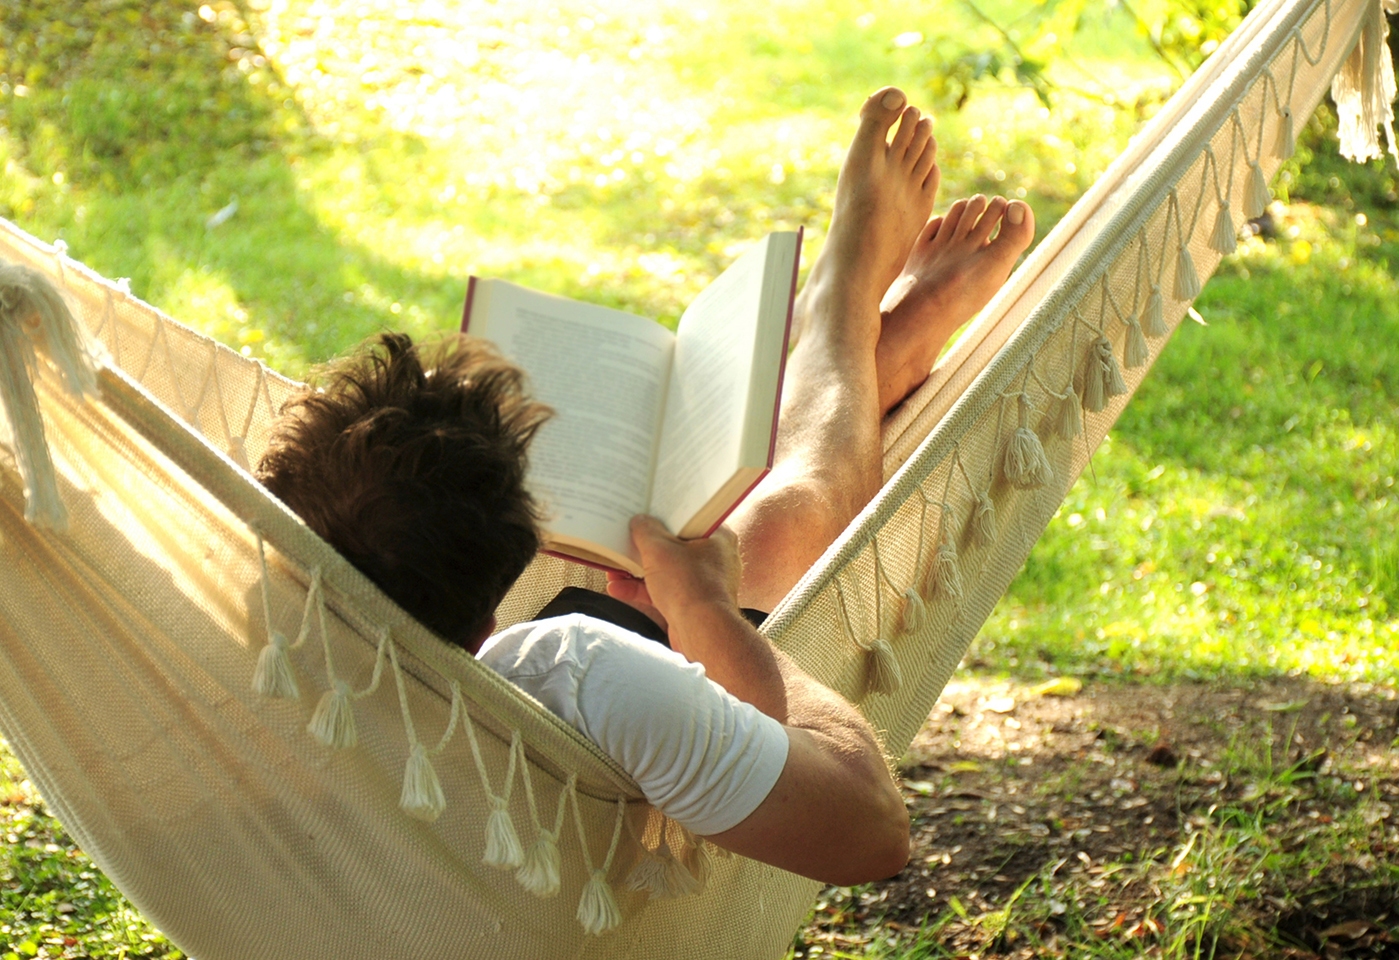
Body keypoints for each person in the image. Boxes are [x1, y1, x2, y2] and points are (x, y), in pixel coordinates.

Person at [255, 87, 1034, 886]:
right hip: (609, 766)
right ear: (495, 606)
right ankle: (843, 316)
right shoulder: (576, 669)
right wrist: (707, 614)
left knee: (679, 571)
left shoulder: (242, 655)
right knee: (767, 531)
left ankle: (857, 360)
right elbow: (871, 832)